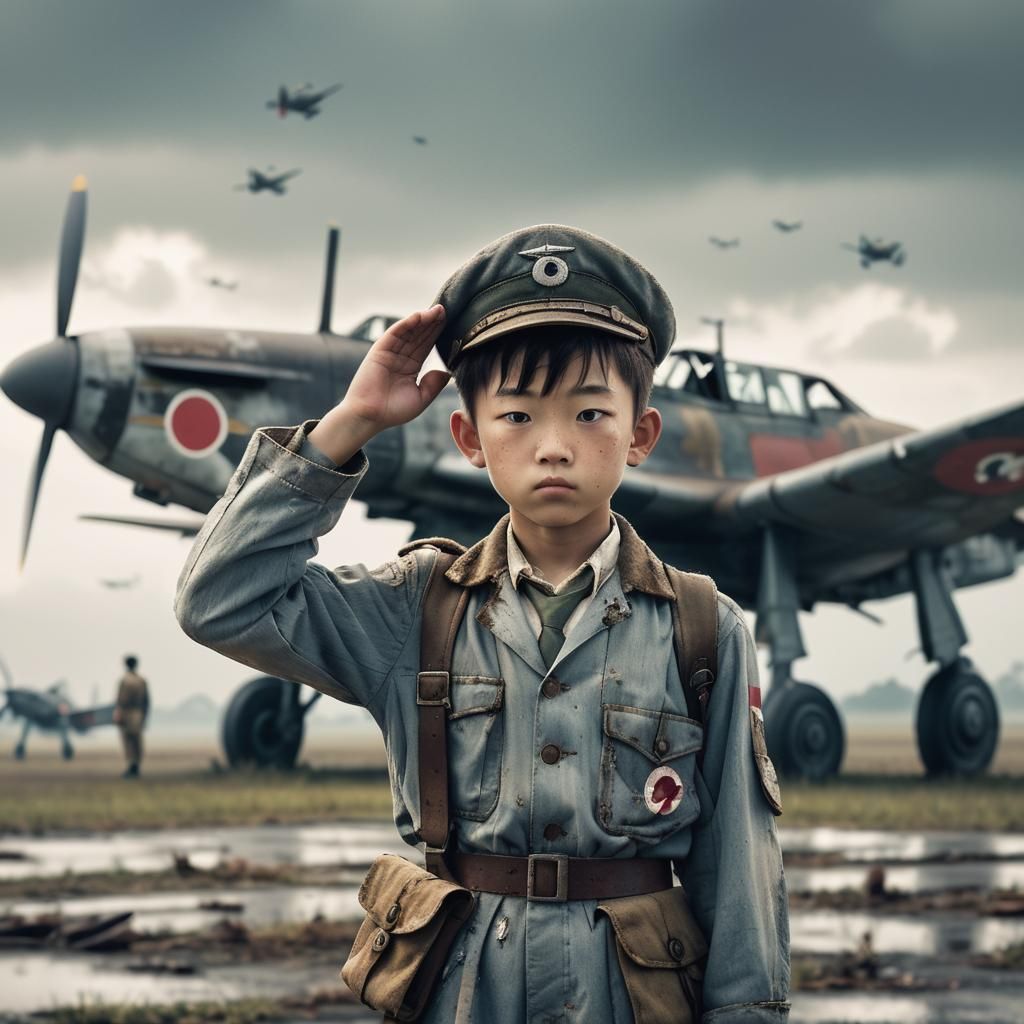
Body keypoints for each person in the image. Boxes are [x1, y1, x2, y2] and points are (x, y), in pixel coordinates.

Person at [175, 225, 790, 1022]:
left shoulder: (704, 629)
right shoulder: (414, 608)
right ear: (469, 438)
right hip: (461, 993)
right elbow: (219, 600)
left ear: (641, 435)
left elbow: (740, 875)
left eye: (592, 413)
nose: (555, 447)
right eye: (518, 417)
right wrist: (350, 423)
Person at [114, 654, 149, 778]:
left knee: (128, 741)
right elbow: (146, 701)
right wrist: (144, 716)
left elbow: (120, 700)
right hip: (138, 713)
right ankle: (136, 765)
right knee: (137, 741)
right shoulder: (141, 680)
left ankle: (131, 765)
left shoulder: (124, 680)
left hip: (127, 712)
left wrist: (118, 713)